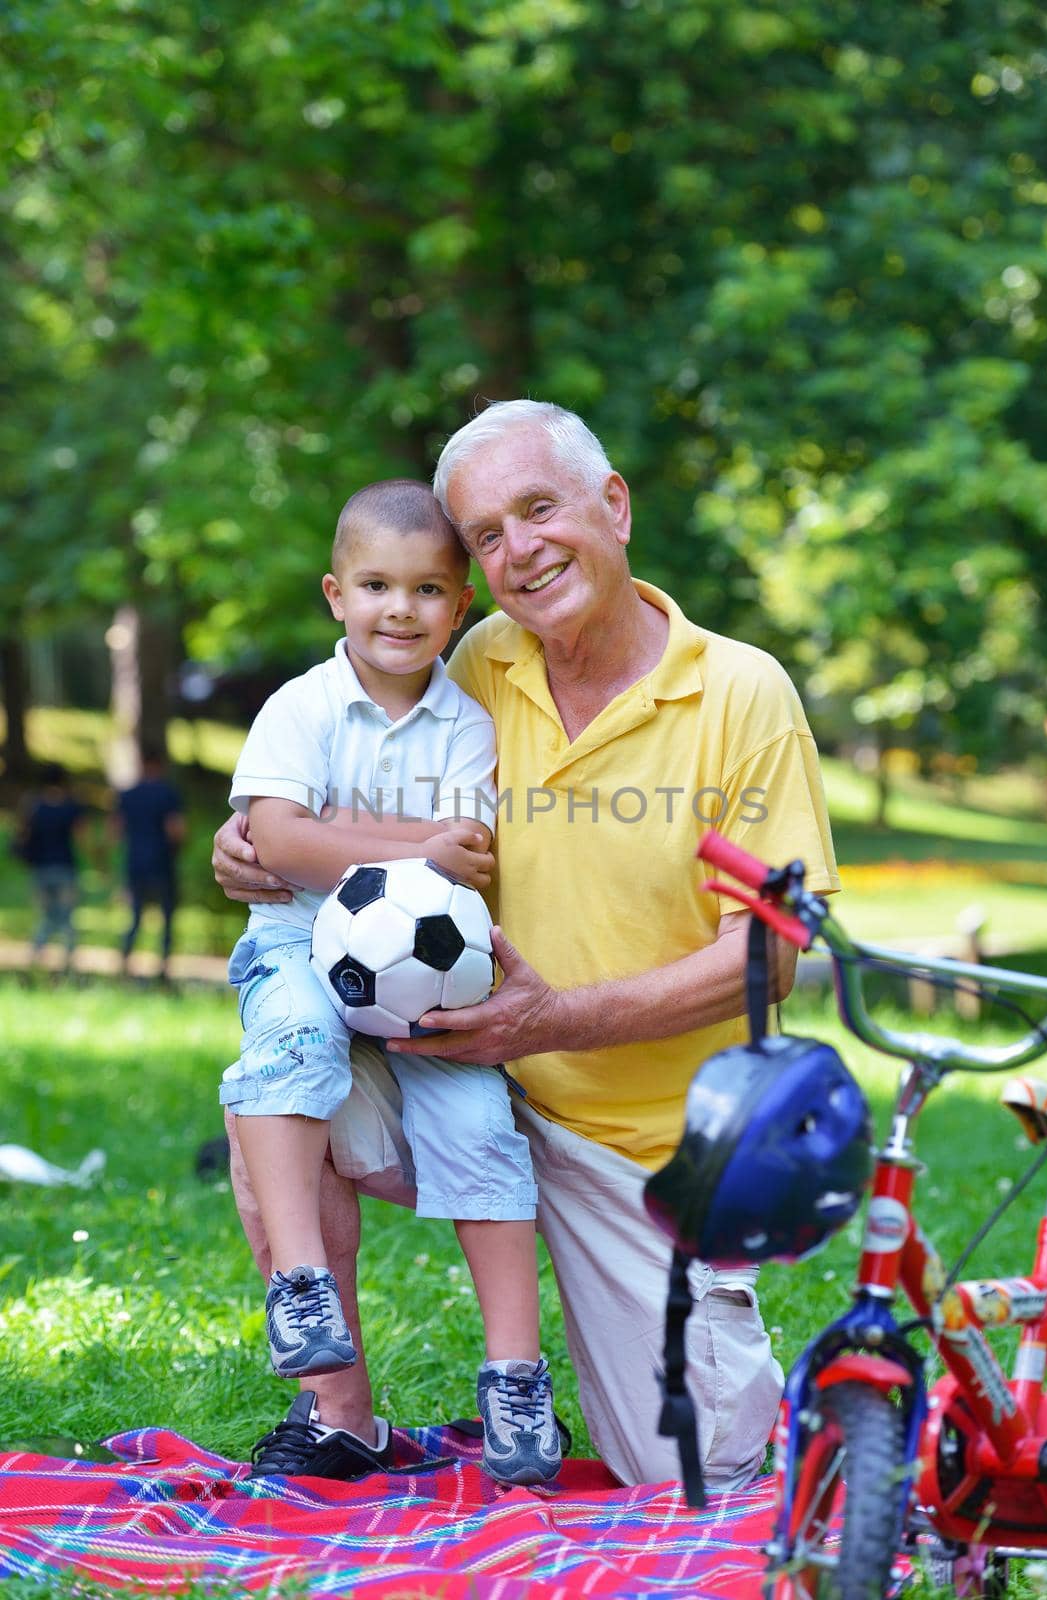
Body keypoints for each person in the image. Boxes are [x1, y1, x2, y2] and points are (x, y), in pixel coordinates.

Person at [213, 400, 840, 1490]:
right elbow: (347, 762)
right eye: (489, 535)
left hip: (638, 1147)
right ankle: (340, 1413)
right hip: (449, 1071)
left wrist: (554, 1019)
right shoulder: (478, 663)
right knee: (276, 1084)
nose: (520, 551)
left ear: (615, 505)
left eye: (538, 509)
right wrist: (256, 841)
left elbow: (772, 955)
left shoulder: (742, 693)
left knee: (701, 1470)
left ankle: (597, 1366)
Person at [220, 477, 561, 1488]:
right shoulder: (300, 709)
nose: (398, 610)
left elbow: (462, 865)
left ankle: (515, 1376)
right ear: (335, 593)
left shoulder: (465, 724)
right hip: (295, 948)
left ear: (461, 608)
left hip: (433, 973)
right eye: (375, 585)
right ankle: (302, 1283)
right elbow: (277, 841)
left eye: (425, 591)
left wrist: (339, 842)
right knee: (292, 1047)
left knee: (481, 1128)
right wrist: (410, 842)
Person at [113, 749, 186, 981]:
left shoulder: (128, 795)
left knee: (135, 916)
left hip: (136, 863)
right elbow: (176, 829)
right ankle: (163, 967)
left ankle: (124, 962)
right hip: (162, 863)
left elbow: (115, 830)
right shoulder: (168, 794)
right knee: (166, 917)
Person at [14, 762, 87, 975]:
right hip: (65, 868)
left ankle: (34, 959)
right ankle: (69, 965)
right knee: (66, 919)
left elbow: (22, 834)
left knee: (46, 918)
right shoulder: (71, 806)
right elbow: (81, 837)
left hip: (40, 870)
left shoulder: (33, 805)